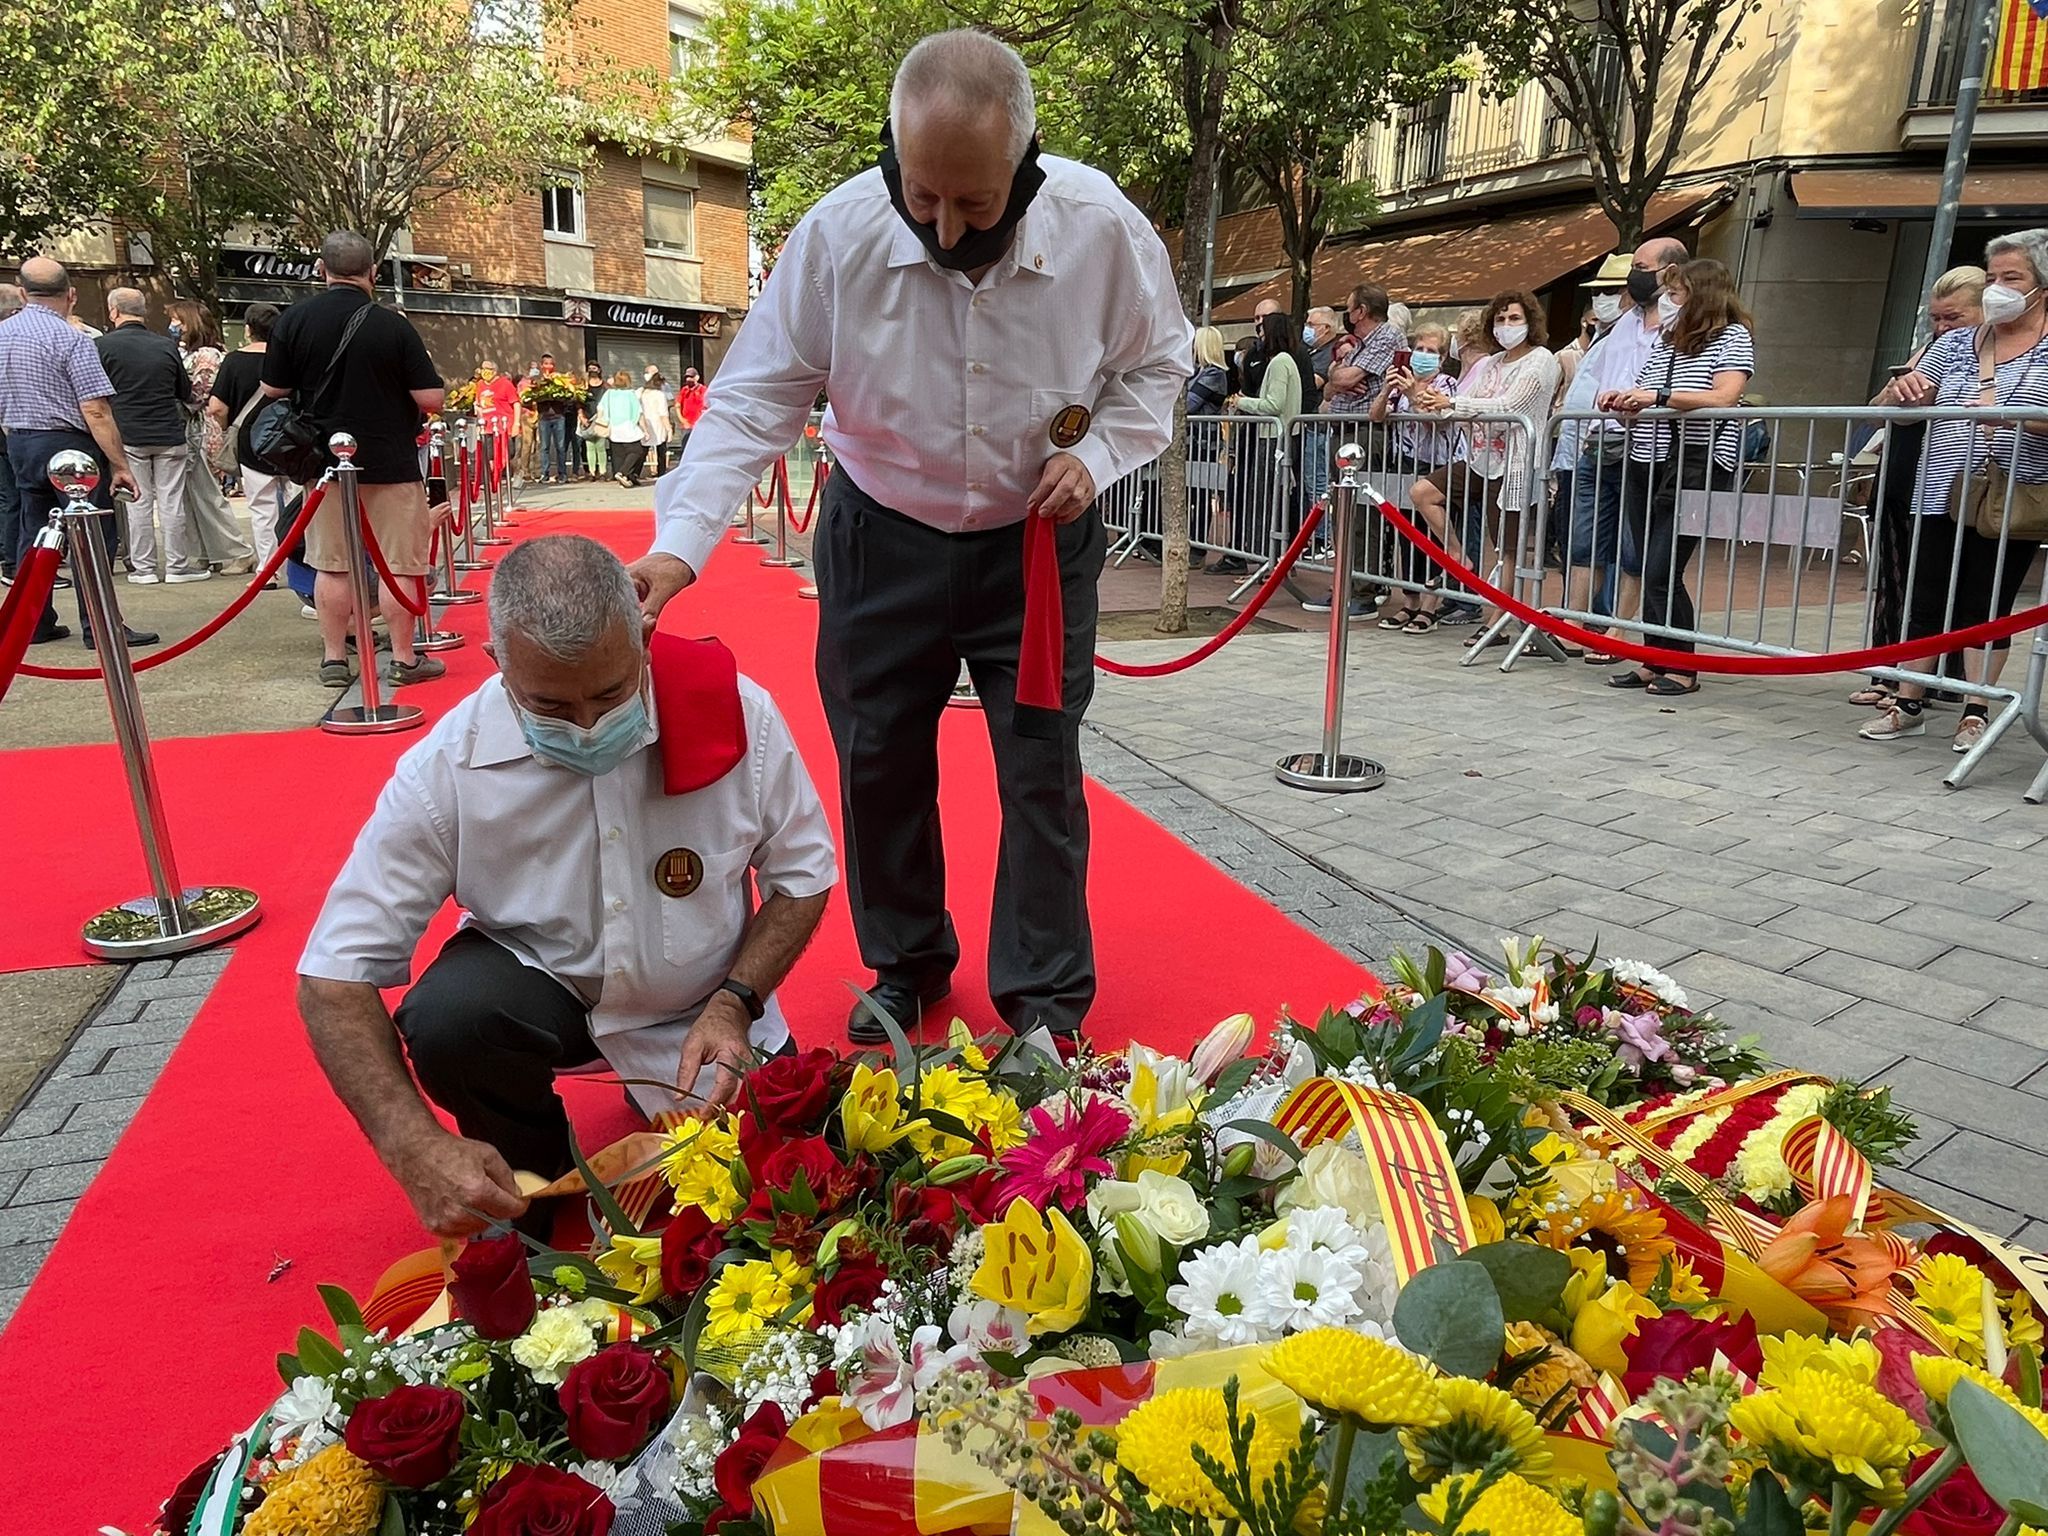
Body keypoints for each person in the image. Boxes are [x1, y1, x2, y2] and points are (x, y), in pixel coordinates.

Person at [630, 30, 1189, 1045]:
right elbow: (752, 401)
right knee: (877, 759)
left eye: (974, 205)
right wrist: (679, 546)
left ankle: (1046, 1000)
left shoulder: (1100, 227)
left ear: (1024, 165)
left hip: (1034, 537)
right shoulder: (839, 235)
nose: (942, 227)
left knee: (1040, 765)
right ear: (893, 157)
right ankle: (905, 962)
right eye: (921, 195)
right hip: (880, 528)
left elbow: (1158, 369)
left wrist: (1098, 456)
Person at [298, 535, 835, 1236]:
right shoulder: (447, 768)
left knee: (790, 1204)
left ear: (642, 636)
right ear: (498, 663)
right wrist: (411, 1144)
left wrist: (737, 1001)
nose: (587, 728)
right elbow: (332, 978)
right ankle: (532, 1178)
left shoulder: (737, 710)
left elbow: (804, 876)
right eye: (550, 705)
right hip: (552, 996)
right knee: (451, 1021)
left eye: (612, 694)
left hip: (713, 1006)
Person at [1860, 231, 2048, 751]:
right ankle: (1909, 702)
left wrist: (2021, 418)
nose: (1997, 289)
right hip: (1938, 488)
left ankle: (1975, 708)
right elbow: (1898, 399)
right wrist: (1904, 392)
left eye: (2012, 279)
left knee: (1985, 604)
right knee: (1925, 598)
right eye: (1992, 278)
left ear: (2043, 287)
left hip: (2009, 495)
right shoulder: (1954, 343)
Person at [261, 230, 447, 688]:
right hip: (390, 458)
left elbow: (273, 390)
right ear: (372, 273)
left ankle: (334, 659)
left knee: (332, 562)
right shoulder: (393, 325)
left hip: (324, 462)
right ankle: (404, 658)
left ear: (321, 270)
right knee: (400, 563)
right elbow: (430, 397)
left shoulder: (294, 320)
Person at [1600, 257, 1756, 697]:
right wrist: (1625, 403)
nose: (1667, 301)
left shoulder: (1732, 336)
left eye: (1676, 292)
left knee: (1663, 566)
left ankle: (1683, 665)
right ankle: (1655, 657)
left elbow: (1725, 396)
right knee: (1647, 565)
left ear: (1701, 295)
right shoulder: (1668, 342)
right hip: (1647, 458)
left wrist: (1657, 396)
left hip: (1696, 464)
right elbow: (1646, 392)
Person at [1848, 266, 1985, 710]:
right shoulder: (1928, 352)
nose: (1943, 328)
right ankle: (1890, 671)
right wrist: (1897, 391)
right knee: (1895, 579)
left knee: (1956, 584)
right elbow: (1874, 412)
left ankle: (1948, 677)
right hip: (1904, 474)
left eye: (1954, 318)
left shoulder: (1999, 356)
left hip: (1963, 482)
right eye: (1936, 319)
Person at [0, 258, 153, 649]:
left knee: (33, 533)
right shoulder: (72, 339)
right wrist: (120, 465)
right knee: (89, 534)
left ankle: (32, 623)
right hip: (69, 446)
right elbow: (95, 409)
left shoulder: (3, 335)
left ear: (22, 292)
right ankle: (99, 626)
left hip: (21, 440)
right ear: (70, 295)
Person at [1553, 241, 1685, 659]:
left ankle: (1619, 630)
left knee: (1633, 543)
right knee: (1584, 537)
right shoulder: (1623, 325)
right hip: (1600, 438)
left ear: (1670, 271)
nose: (1634, 277)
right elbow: (1590, 382)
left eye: (1642, 268)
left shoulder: (1683, 323)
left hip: (1648, 444)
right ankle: (1573, 623)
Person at [1404, 290, 1560, 636]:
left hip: (1517, 462)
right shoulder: (1489, 363)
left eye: (1514, 318)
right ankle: (1458, 554)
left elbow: (1510, 406)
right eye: (1501, 319)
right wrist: (1430, 401)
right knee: (1423, 492)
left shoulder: (1541, 359)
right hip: (1479, 459)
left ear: (1530, 322)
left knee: (1505, 547)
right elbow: (1463, 404)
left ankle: (1498, 622)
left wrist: (1452, 404)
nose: (1506, 325)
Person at [96, 288, 201, 584]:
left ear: (113, 311)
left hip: (127, 434)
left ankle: (143, 569)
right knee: (172, 502)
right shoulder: (165, 345)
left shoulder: (101, 346)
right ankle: (177, 567)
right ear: (143, 312)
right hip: (168, 431)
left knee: (138, 502)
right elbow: (184, 391)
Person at [1363, 320, 1456, 627]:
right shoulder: (1401, 384)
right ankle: (1410, 601)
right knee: (1407, 537)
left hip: (1435, 467)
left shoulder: (1445, 385)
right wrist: (1389, 387)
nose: (1423, 354)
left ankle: (1430, 605)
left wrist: (1415, 390)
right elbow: (1376, 416)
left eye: (1431, 350)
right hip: (1404, 463)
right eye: (1419, 348)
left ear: (1441, 357)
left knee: (1431, 537)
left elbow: (1435, 420)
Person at [168, 301, 257, 575]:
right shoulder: (201, 353)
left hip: (202, 429)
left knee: (207, 494)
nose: (173, 326)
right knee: (194, 495)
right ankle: (206, 552)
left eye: (177, 321)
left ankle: (238, 551)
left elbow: (198, 396)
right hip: (196, 428)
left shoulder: (205, 355)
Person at [208, 302, 288, 579]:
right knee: (298, 507)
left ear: (247, 329)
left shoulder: (233, 361)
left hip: (251, 441)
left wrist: (227, 427)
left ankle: (268, 569)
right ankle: (304, 566)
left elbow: (216, 406)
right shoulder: (289, 358)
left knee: (262, 508)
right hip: (292, 441)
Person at [1223, 310, 1306, 575]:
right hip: (1277, 436)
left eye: (1262, 331)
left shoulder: (1280, 362)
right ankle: (1266, 558)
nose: (1259, 336)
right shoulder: (1284, 361)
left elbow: (1274, 404)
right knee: (1268, 498)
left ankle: (1264, 558)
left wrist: (1241, 401)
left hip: (1274, 439)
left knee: (1264, 499)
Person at [1186, 325, 1232, 565]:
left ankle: (1198, 546)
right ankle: (1189, 542)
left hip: (1203, 442)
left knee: (1201, 494)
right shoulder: (1196, 372)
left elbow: (1189, 404)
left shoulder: (1215, 374)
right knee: (1189, 492)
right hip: (1190, 440)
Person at [1322, 283, 1402, 416]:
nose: (1346, 314)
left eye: (1349, 309)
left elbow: (1343, 379)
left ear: (1361, 312)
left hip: (1365, 429)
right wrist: (1336, 384)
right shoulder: (1360, 342)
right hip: (1342, 428)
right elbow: (1328, 392)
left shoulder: (1387, 336)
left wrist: (1339, 381)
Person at [474, 358, 521, 492]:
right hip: (488, 426)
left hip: (504, 426)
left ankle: (517, 473)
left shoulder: (505, 384)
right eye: (483, 368)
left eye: (488, 368)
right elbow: (478, 404)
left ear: (495, 371)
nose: (485, 371)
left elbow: (516, 403)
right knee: (490, 455)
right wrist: (479, 420)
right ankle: (495, 478)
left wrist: (516, 423)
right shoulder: (480, 385)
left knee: (509, 454)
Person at [601, 369, 649, 485]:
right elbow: (638, 413)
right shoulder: (630, 394)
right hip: (628, 427)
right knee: (637, 451)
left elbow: (601, 409)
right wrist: (645, 430)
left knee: (619, 454)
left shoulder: (608, 394)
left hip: (613, 427)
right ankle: (623, 472)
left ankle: (625, 477)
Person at [531, 354, 573, 485]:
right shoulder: (537, 380)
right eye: (546, 364)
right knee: (544, 447)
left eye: (551, 364)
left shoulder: (559, 379)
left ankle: (562, 474)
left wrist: (561, 395)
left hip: (558, 416)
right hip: (544, 416)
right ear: (542, 365)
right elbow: (532, 395)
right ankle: (545, 473)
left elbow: (568, 396)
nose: (549, 366)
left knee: (560, 446)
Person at [641, 370, 677, 476]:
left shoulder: (642, 392)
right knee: (661, 449)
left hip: (645, 423)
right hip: (658, 424)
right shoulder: (659, 395)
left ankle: (635, 472)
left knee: (644, 449)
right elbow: (663, 414)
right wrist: (669, 429)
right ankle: (661, 472)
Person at [580, 361, 608, 479]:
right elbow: (579, 402)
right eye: (590, 368)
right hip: (587, 418)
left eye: (594, 368)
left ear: (599, 370)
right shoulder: (584, 387)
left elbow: (608, 402)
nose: (592, 370)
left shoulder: (605, 386)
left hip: (601, 418)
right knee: (590, 446)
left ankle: (602, 472)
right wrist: (581, 416)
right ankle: (592, 472)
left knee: (601, 446)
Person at [676, 365, 707, 450]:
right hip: (687, 425)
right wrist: (682, 420)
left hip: (699, 425)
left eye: (691, 377)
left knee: (699, 448)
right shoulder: (684, 390)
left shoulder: (703, 390)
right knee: (686, 448)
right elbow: (677, 406)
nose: (688, 379)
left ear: (697, 377)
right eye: (687, 377)